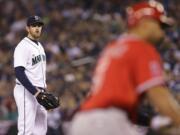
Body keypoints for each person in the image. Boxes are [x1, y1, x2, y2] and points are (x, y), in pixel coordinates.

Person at [69, 1, 180, 135]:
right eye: (159, 25)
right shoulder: (141, 47)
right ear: (145, 23)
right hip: (106, 122)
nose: (162, 32)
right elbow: (159, 95)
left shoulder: (114, 47)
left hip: (85, 120)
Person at [13, 15, 48, 135]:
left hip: (39, 92)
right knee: (25, 131)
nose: (37, 28)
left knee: (41, 130)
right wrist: (36, 92)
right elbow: (18, 72)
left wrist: (43, 92)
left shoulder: (40, 46)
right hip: (26, 91)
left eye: (39, 25)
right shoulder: (22, 46)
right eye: (34, 26)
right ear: (28, 28)